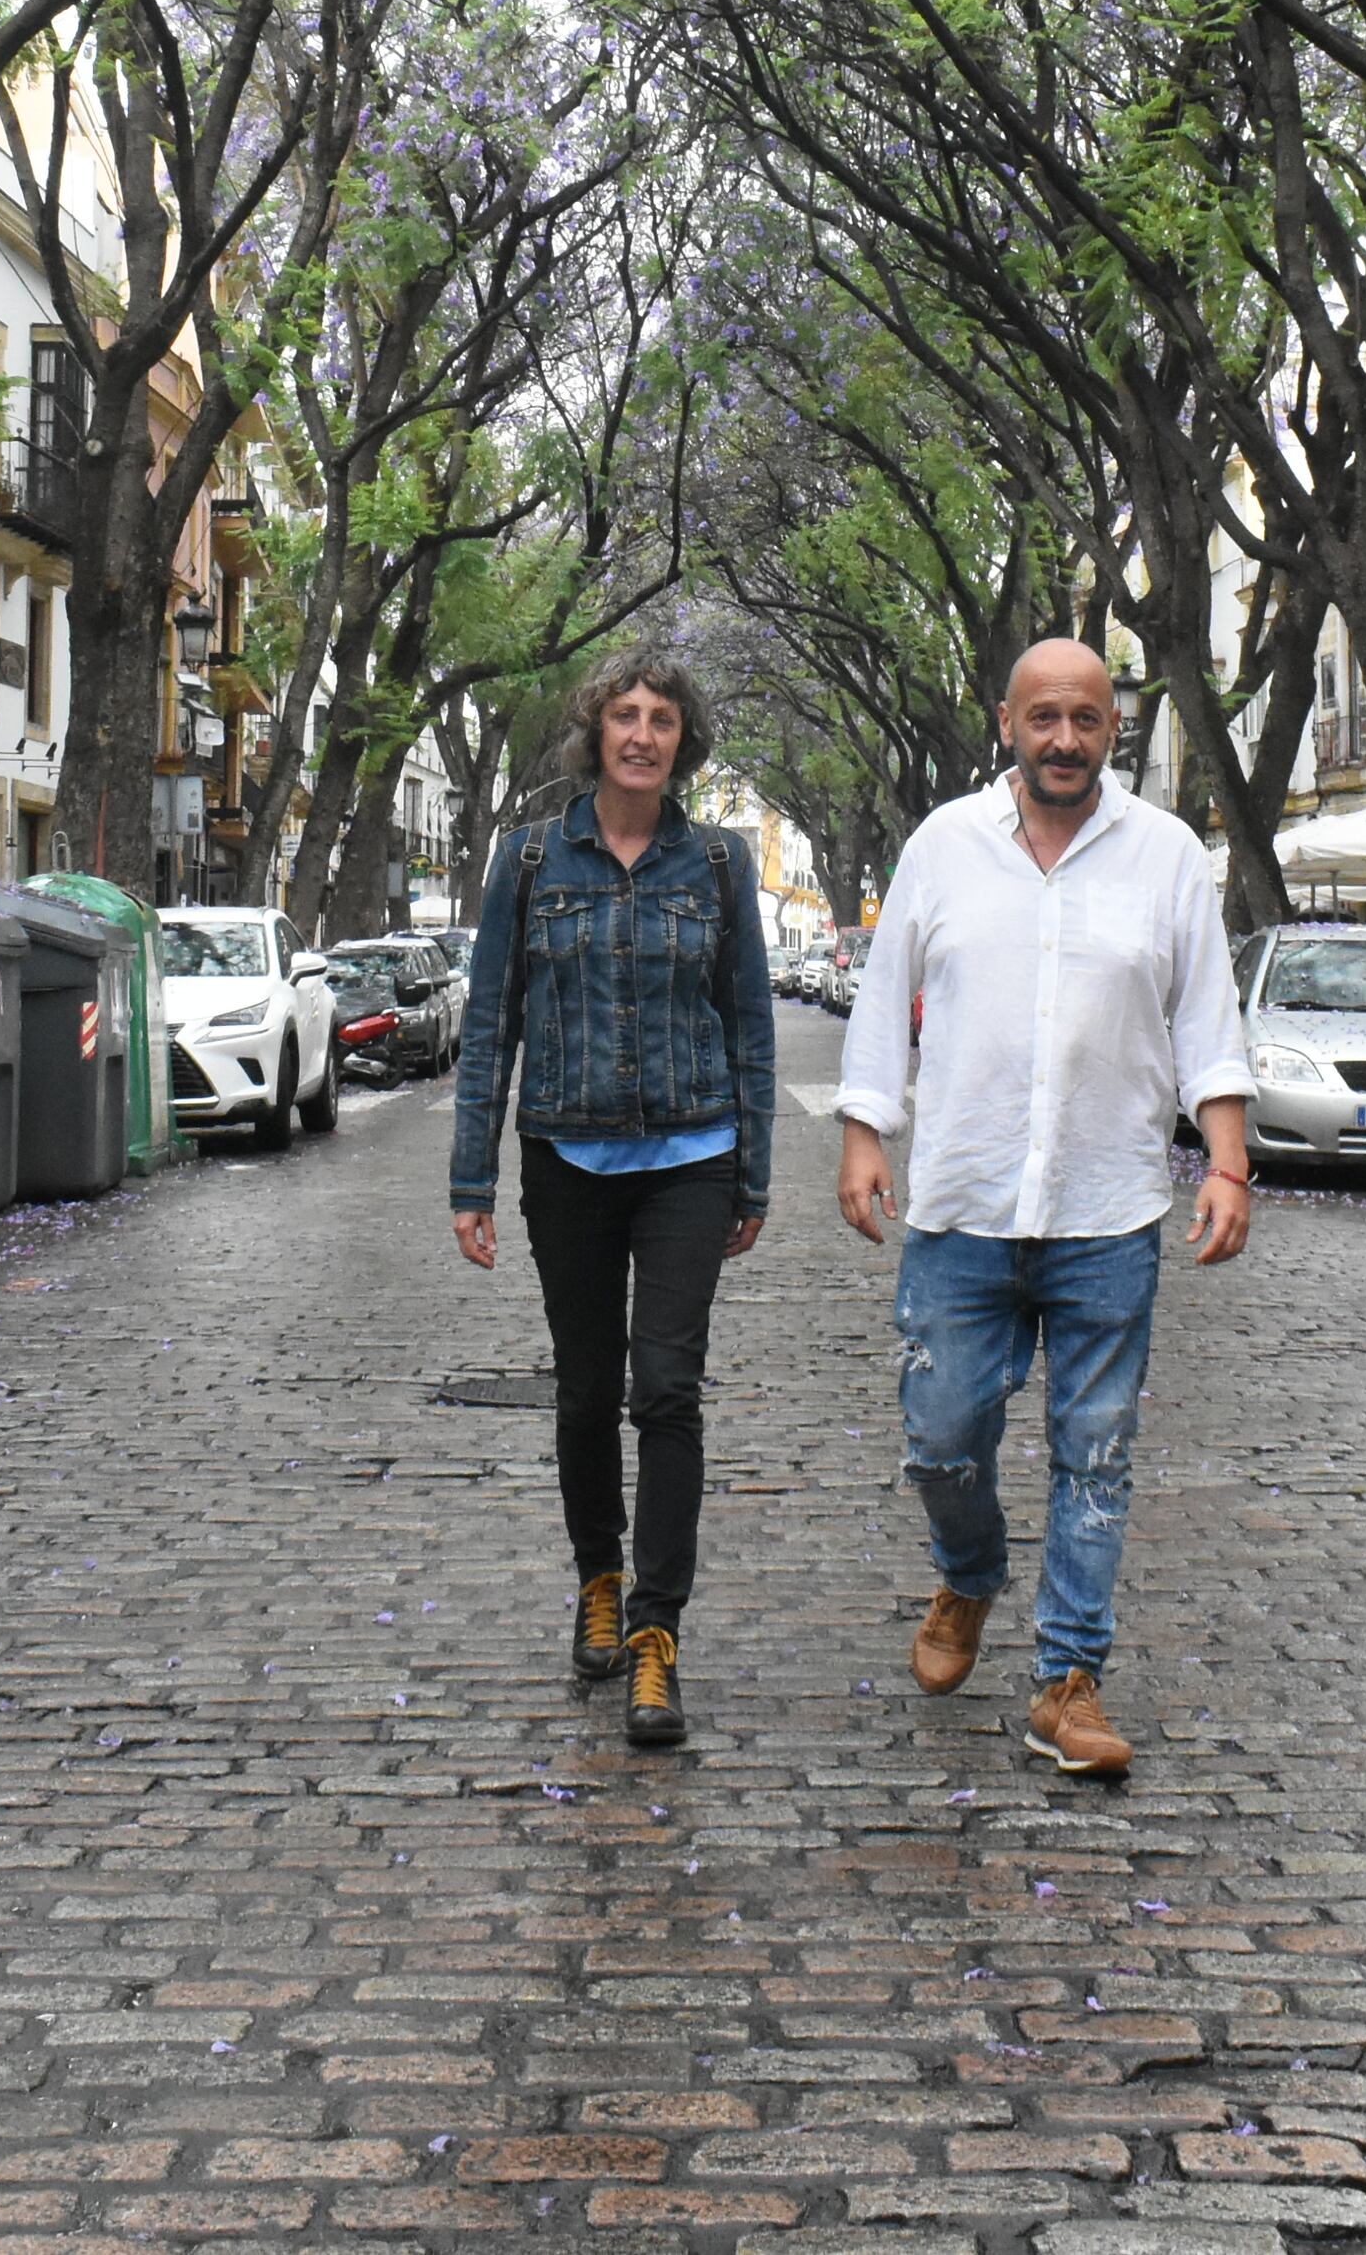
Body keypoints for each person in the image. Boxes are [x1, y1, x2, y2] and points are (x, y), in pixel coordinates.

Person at [835, 640, 1254, 1782]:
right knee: (942, 1439)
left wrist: (1225, 1163)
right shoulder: (941, 846)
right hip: (962, 1202)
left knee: (1096, 1453)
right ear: (1007, 722)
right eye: (1043, 718)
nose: (1063, 739)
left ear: (1112, 728)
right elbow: (882, 1000)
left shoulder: (1167, 857)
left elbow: (1207, 1023)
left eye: (1084, 719)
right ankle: (967, 1573)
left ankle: (1068, 1679)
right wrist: (864, 1133)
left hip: (1107, 1206)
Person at [448, 655, 777, 1752]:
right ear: (594, 732)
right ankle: (598, 1572)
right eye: (623, 717)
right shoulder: (530, 859)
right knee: (586, 1393)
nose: (641, 735)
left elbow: (749, 1031)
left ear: (685, 740)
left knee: (667, 1392)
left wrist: (754, 1170)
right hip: (568, 1159)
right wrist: (471, 1177)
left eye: (663, 720)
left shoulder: (719, 865)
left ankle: (654, 1633)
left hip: (690, 1158)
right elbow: (490, 1022)